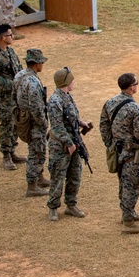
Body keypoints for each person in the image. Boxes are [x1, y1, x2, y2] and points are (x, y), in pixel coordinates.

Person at [100, 73, 139, 234]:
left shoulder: (110, 103)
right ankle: (128, 221)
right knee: (132, 183)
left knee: (123, 181)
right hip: (132, 152)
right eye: (136, 83)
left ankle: (128, 212)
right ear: (131, 87)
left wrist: (110, 144)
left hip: (117, 150)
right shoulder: (136, 109)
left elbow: (104, 125)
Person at [46, 67, 91, 222]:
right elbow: (57, 126)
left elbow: (70, 117)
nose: (74, 82)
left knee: (74, 175)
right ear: (65, 82)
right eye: (71, 80)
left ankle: (71, 204)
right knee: (58, 176)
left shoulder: (67, 97)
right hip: (61, 145)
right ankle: (53, 207)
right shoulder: (55, 101)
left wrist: (80, 122)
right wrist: (69, 143)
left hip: (74, 141)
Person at [0, 23, 25, 170]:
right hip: (4, 98)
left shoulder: (11, 52)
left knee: (16, 123)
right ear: (2, 38)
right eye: (9, 35)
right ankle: (6, 155)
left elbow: (18, 69)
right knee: (6, 125)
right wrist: (12, 84)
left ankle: (13, 150)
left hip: (15, 96)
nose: (12, 37)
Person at [13, 49, 51, 198]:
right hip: (34, 121)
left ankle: (39, 177)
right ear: (36, 64)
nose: (43, 65)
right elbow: (36, 107)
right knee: (37, 151)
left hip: (23, 117)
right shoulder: (33, 82)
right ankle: (32, 185)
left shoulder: (19, 75)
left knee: (37, 149)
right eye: (41, 62)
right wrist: (43, 122)